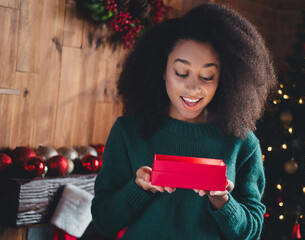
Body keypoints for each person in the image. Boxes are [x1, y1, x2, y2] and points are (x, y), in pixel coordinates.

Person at [91, 3, 277, 240]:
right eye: (181, 73)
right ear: (162, 70)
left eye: (207, 76)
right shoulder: (128, 131)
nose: (193, 88)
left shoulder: (241, 142)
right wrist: (137, 189)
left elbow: (251, 232)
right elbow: (104, 221)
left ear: (224, 78)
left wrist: (223, 201)